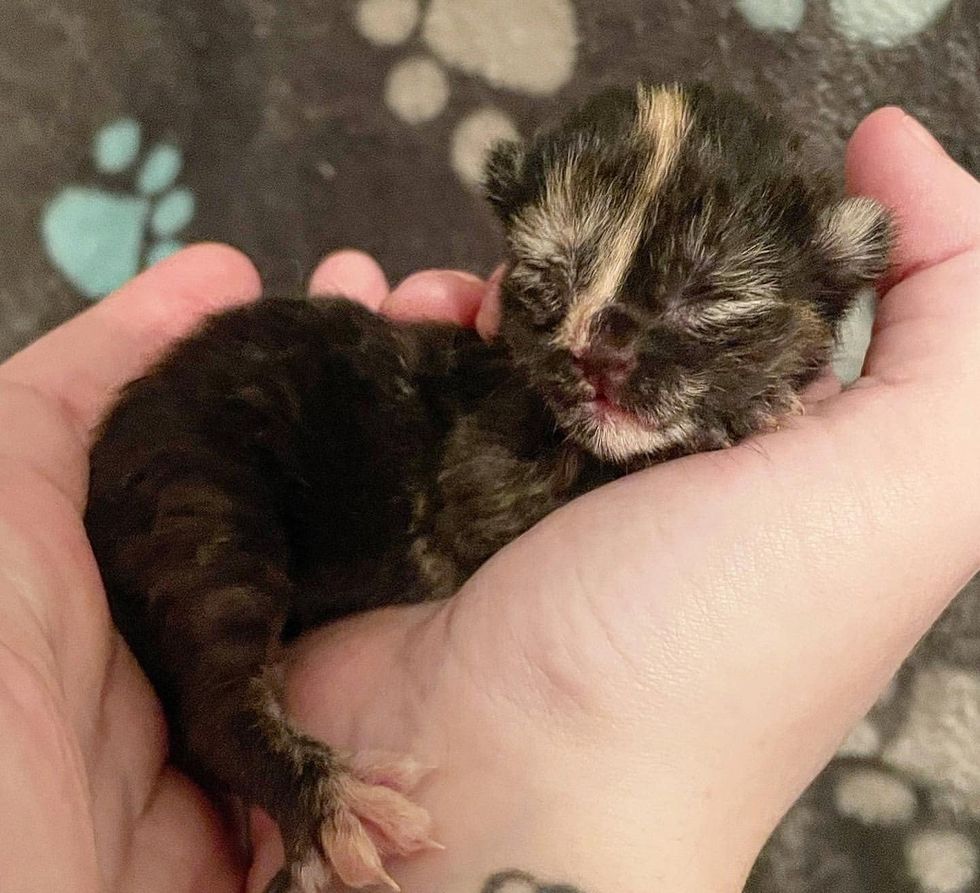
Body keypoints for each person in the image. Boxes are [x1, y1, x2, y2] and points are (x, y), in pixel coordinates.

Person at [0, 106, 977, 893]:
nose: (597, 351)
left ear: (833, 285)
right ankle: (280, 770)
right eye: (553, 292)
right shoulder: (502, 443)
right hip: (230, 441)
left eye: (704, 312)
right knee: (214, 573)